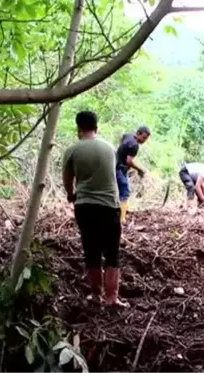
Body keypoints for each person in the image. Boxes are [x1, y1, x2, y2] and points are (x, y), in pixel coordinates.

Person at [62, 111, 128, 308]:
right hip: (109, 207)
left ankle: (96, 295)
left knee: (91, 252)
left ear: (78, 129)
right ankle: (112, 298)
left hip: (85, 207)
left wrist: (71, 194)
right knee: (112, 254)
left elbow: (68, 180)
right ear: (96, 128)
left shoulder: (72, 150)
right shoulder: (109, 148)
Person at [116, 126, 150, 224]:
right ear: (138, 133)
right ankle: (122, 218)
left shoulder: (128, 135)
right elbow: (129, 161)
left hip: (115, 165)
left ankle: (124, 210)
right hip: (120, 168)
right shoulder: (135, 145)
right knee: (125, 191)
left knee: (119, 190)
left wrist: (121, 152)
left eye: (146, 139)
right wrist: (140, 169)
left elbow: (121, 139)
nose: (144, 141)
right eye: (143, 138)